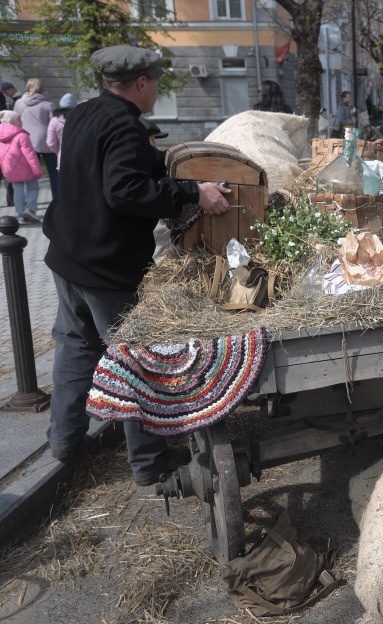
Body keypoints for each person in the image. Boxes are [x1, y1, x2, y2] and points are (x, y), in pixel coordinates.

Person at [42, 45, 231, 485]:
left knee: (76, 345)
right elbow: (124, 191)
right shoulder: (126, 127)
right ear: (141, 83)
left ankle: (64, 440)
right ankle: (148, 462)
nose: (157, 90)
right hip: (104, 266)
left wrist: (172, 168)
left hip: (66, 254)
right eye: (156, 83)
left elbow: (116, 168)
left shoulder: (85, 113)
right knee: (134, 358)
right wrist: (191, 194)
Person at [14, 78, 58, 197]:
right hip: (46, 142)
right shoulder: (48, 105)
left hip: (26, 141)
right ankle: (57, 200)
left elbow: (15, 122)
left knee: (29, 175)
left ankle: (29, 202)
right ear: (42, 88)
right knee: (54, 173)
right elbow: (54, 124)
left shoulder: (19, 103)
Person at [0, 110, 42, 225]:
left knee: (17, 190)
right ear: (12, 122)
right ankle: (30, 210)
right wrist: (37, 170)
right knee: (33, 187)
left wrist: (4, 170)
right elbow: (30, 155)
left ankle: (19, 214)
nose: (21, 122)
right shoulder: (21, 135)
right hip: (26, 168)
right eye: (19, 119)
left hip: (9, 169)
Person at [46, 93, 78, 170]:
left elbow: (51, 142)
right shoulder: (83, 118)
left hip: (63, 158)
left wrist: (59, 151)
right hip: (83, 158)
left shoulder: (54, 121)